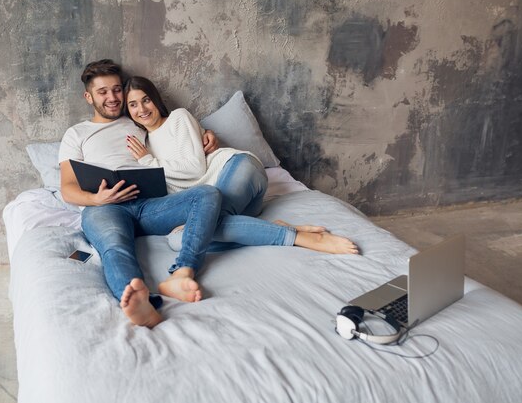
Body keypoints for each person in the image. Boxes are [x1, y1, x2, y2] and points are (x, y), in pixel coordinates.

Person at [59, 59, 223, 329]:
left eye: (116, 90)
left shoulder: (137, 120)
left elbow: (171, 129)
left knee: (207, 194)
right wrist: (97, 199)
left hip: (149, 204)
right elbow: (67, 188)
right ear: (88, 97)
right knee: (114, 245)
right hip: (104, 208)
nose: (112, 98)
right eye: (103, 92)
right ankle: (143, 304)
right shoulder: (77, 134)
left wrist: (206, 133)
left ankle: (184, 271)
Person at [123, 76, 359, 255]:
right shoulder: (144, 145)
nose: (141, 109)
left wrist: (149, 162)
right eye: (133, 105)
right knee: (177, 241)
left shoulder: (178, 118)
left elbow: (195, 168)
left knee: (197, 232)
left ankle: (298, 238)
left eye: (145, 100)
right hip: (242, 208)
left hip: (238, 170)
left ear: (155, 99)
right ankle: (270, 227)